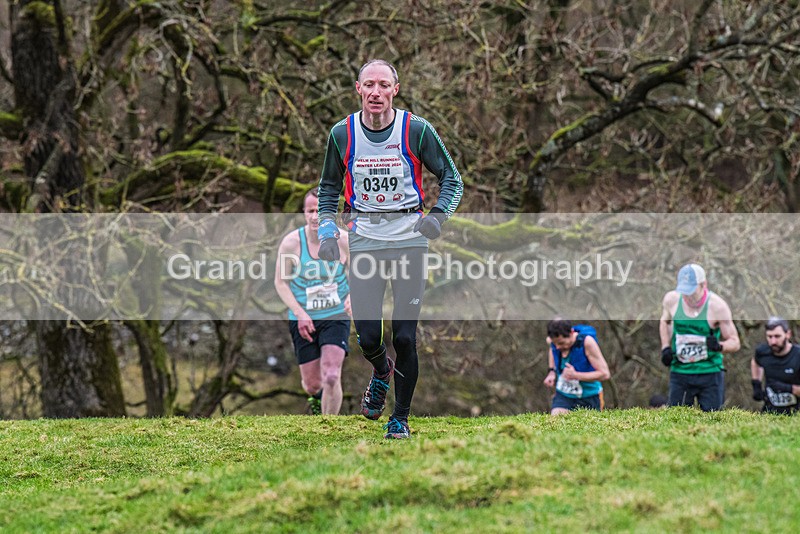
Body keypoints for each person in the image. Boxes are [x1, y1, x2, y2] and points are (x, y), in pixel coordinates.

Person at [316, 59, 463, 439]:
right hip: (365, 239)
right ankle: (381, 371)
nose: (376, 92)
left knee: (404, 336)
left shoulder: (415, 129)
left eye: (384, 85)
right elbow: (329, 189)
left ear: (395, 90)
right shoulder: (342, 133)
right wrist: (328, 232)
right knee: (367, 337)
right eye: (370, 85)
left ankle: (400, 418)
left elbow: (452, 178)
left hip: (409, 240)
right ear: (358, 89)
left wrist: (438, 216)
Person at [274, 190, 351, 415]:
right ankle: (318, 406)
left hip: (335, 314)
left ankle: (329, 427)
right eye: (311, 211)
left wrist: (353, 296)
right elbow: (280, 282)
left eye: (322, 210)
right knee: (313, 384)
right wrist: (299, 313)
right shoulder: (291, 243)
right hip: (303, 316)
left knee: (331, 375)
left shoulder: (344, 240)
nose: (316, 216)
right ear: (304, 213)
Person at [659, 263, 740, 411]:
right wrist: (665, 347)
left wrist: (719, 346)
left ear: (703, 285)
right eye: (684, 291)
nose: (688, 296)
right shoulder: (671, 300)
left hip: (709, 372)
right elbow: (665, 321)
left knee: (713, 420)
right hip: (680, 372)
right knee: (676, 421)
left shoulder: (718, 307)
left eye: (691, 291)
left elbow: (735, 342)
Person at [543, 319, 611, 415]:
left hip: (589, 395)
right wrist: (551, 371)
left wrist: (576, 375)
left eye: (561, 343)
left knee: (587, 428)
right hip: (564, 394)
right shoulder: (553, 340)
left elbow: (605, 374)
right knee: (556, 423)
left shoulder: (587, 343)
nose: (557, 347)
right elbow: (552, 349)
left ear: (571, 333)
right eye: (555, 344)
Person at [751, 317, 800, 415]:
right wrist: (756, 384)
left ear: (788, 334)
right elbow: (755, 362)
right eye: (769, 336)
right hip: (770, 412)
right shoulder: (762, 352)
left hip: (795, 413)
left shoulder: (798, 355)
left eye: (777, 336)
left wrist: (788, 388)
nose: (773, 342)